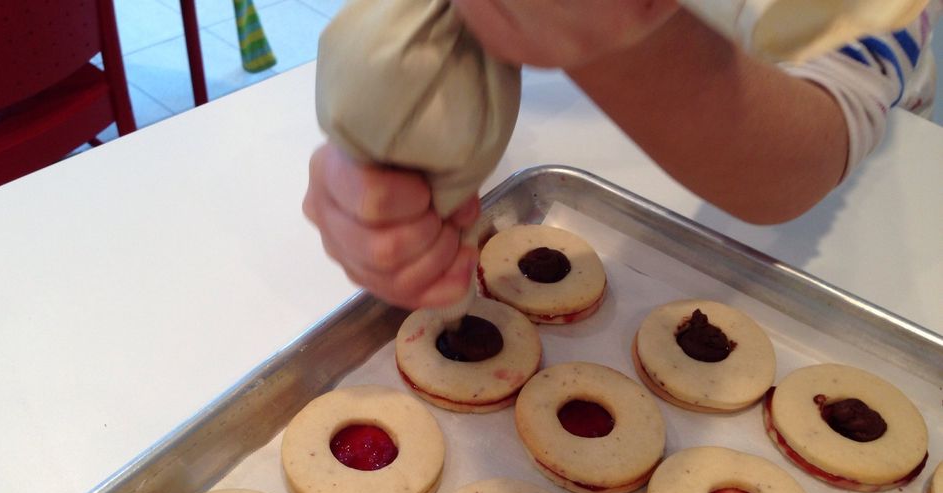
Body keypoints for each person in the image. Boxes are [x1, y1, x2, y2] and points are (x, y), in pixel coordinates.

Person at [303, 0, 941, 310]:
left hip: (839, 230)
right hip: (543, 175)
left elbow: (812, 146)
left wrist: (610, 37)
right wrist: (385, 135)